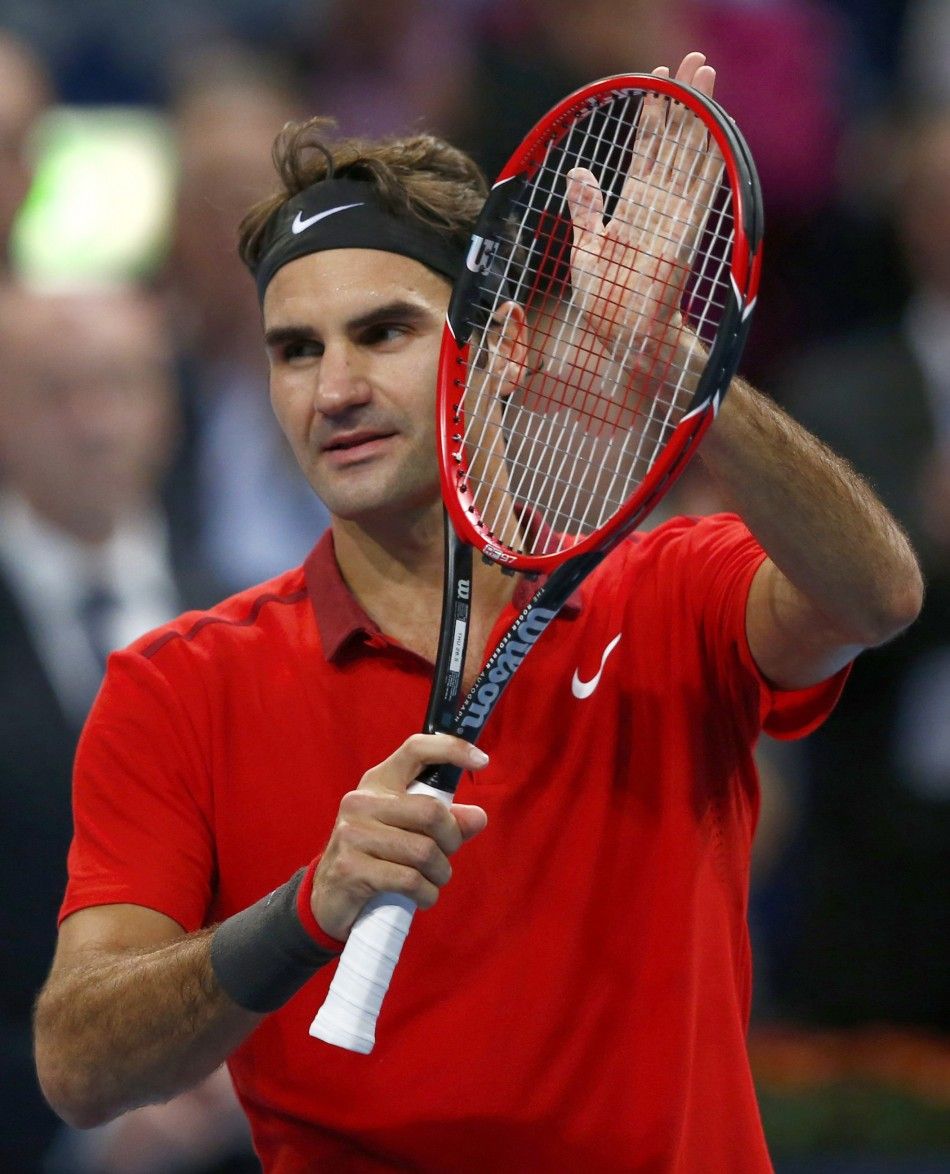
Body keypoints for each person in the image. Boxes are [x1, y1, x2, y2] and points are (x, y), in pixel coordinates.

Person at [33, 53, 923, 1172]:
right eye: (295, 351)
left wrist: (674, 370)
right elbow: (80, 1064)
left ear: (492, 349)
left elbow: (877, 593)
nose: (334, 388)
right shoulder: (176, 683)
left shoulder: (664, 592)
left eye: (382, 332)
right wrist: (307, 906)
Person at [0, 282, 240, 1170]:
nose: (93, 423)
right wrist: (75, 1118)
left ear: (168, 407)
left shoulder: (252, 616)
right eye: (55, 390)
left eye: (119, 385)